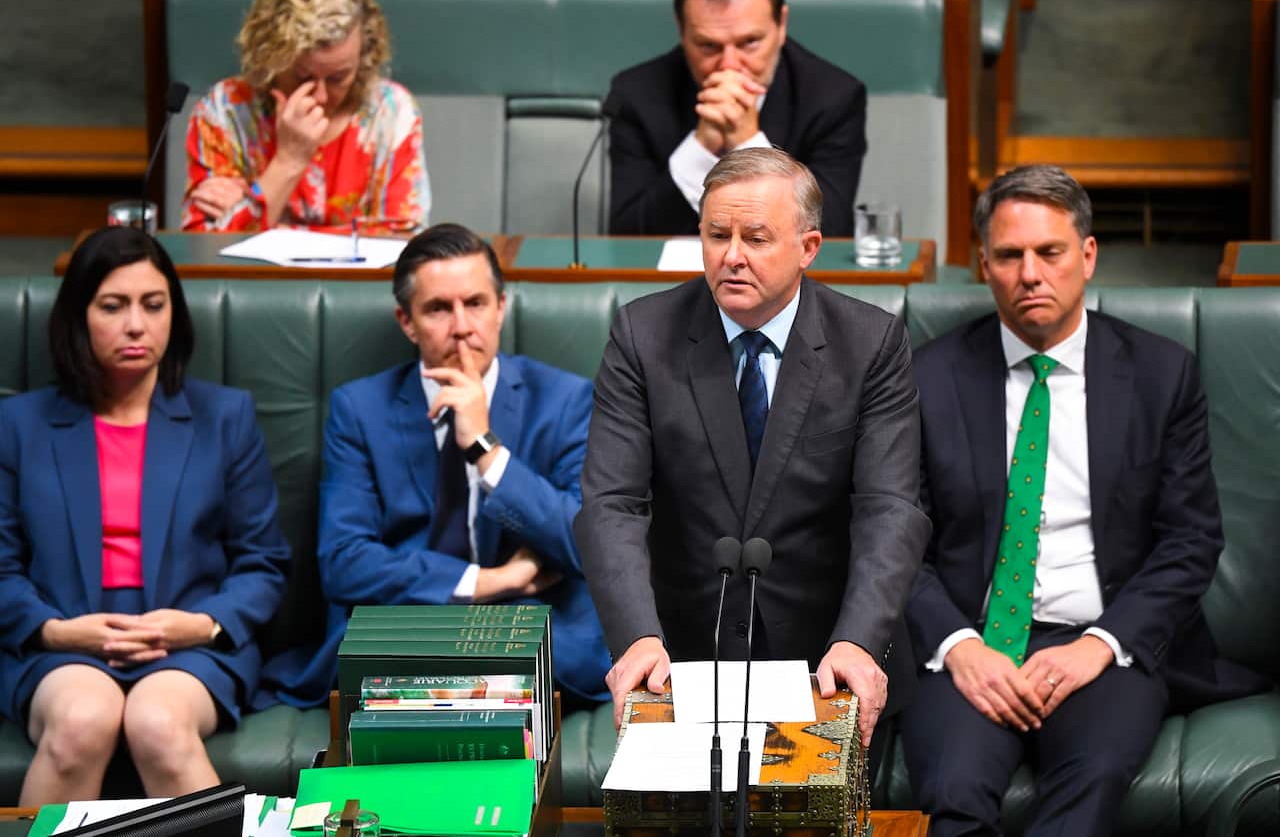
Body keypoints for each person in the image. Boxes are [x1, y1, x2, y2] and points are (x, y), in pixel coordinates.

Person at [900, 165, 1270, 836]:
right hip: (974, 643)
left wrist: (1101, 644)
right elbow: (894, 538)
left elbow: (1191, 540)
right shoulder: (929, 378)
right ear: (983, 265)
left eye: (1051, 252)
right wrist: (959, 646)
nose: (1031, 274)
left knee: (1092, 781)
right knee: (953, 786)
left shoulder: (1161, 375)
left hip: (1103, 643)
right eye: (1010, 256)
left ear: (1088, 255)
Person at [576, 147, 930, 760]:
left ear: (808, 246)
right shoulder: (642, 335)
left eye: (756, 238)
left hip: (825, 657)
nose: (732, 256)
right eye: (717, 235)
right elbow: (612, 503)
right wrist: (636, 634)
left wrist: (859, 642)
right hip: (680, 654)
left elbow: (889, 508)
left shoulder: (870, 344)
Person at [0, 227, 290, 804]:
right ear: (78, 316)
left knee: (157, 725)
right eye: (114, 306)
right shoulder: (21, 425)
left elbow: (264, 564)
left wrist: (201, 624)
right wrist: (55, 630)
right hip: (61, 641)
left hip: (192, 645)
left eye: (153, 305)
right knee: (83, 720)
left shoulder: (224, 418)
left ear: (173, 316)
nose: (137, 325)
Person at [290, 223, 611, 708]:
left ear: (501, 308)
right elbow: (344, 562)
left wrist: (486, 449)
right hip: (407, 637)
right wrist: (487, 582)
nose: (461, 326)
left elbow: (587, 543)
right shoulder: (359, 409)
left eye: (476, 303)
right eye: (438, 308)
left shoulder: (565, 400)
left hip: (530, 641)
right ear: (406, 321)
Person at [607, 0, 866, 237]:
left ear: (782, 24)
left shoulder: (833, 98)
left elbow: (828, 232)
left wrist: (748, 144)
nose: (729, 65)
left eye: (750, 42)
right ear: (682, 30)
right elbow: (626, 236)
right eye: (708, 46)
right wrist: (701, 148)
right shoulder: (636, 95)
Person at [182, 0, 429, 234]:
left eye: (338, 78)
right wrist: (289, 160)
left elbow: (403, 240)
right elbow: (207, 245)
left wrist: (264, 219)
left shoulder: (391, 111)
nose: (320, 97)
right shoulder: (226, 110)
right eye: (302, 78)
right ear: (272, 61)